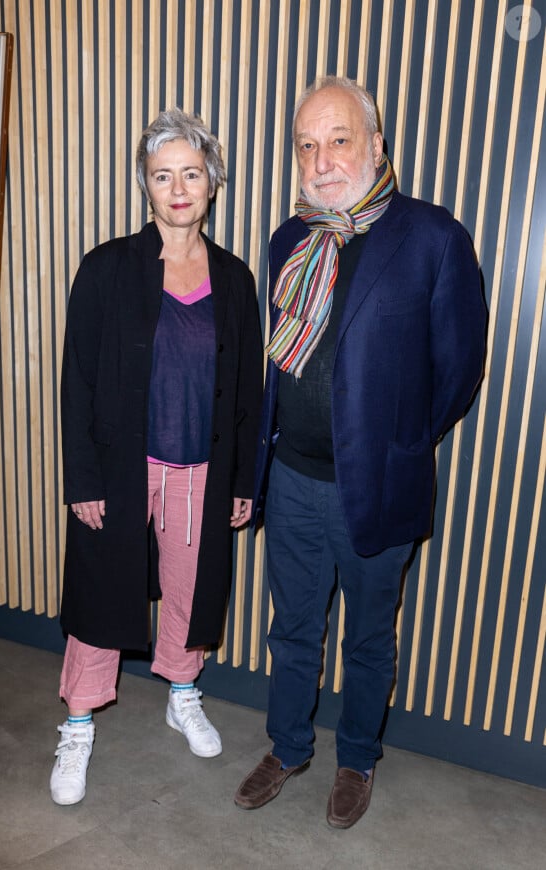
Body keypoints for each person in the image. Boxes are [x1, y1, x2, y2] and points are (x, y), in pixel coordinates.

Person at [234, 77, 486, 829]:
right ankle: (287, 746)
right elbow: (272, 369)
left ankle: (356, 759)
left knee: (370, 638)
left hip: (378, 488)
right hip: (291, 481)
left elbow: (459, 371)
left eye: (338, 139)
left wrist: (400, 443)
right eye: (306, 144)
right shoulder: (289, 238)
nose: (321, 159)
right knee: (293, 630)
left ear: (376, 145)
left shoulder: (434, 238)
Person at [50, 108, 263, 806]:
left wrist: (241, 479)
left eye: (192, 174)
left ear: (212, 183)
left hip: (200, 468)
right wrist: (81, 477)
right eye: (162, 174)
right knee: (101, 594)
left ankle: (183, 691)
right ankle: (78, 722)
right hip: (121, 468)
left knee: (191, 590)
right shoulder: (108, 268)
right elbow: (76, 378)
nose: (178, 188)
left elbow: (248, 393)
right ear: (145, 184)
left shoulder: (234, 279)